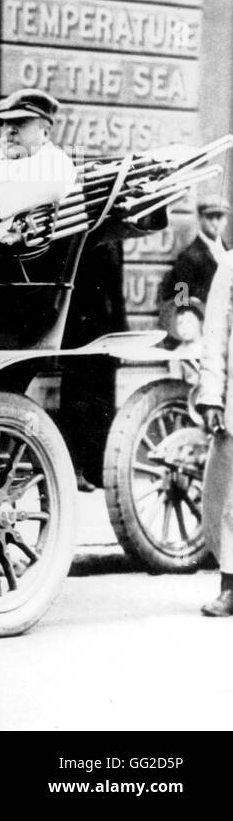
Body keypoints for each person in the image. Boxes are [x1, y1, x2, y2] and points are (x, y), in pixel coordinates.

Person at [0, 89, 77, 243]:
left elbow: (46, 185)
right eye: (5, 123)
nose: (9, 131)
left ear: (45, 133)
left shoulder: (55, 161)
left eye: (21, 122)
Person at [196, 249, 233, 615]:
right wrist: (211, 397)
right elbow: (215, 334)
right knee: (231, 502)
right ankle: (231, 585)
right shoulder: (230, 264)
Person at [158, 195, 227, 337]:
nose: (215, 223)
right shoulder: (189, 256)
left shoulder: (226, 251)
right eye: (209, 217)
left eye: (219, 217)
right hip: (199, 326)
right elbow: (180, 299)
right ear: (200, 218)